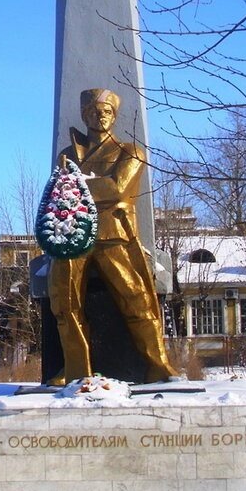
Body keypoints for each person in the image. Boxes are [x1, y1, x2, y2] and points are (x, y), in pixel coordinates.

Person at [46, 88, 179, 384]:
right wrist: (82, 188)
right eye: (93, 112)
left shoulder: (130, 152)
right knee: (64, 302)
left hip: (114, 234)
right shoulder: (67, 155)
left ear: (114, 116)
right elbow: (59, 192)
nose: (100, 117)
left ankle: (158, 365)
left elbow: (118, 188)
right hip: (73, 234)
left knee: (137, 298)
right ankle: (75, 368)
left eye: (106, 112)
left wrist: (75, 187)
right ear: (84, 115)